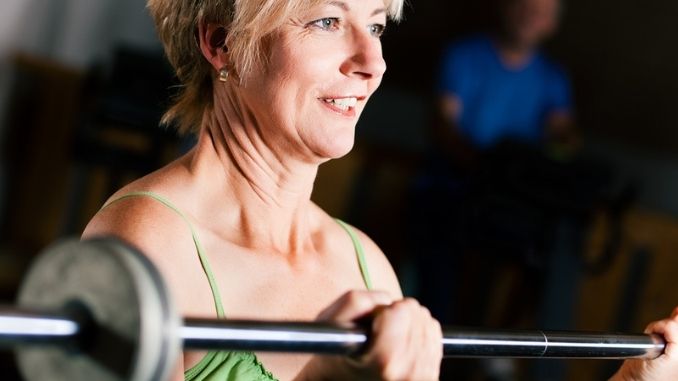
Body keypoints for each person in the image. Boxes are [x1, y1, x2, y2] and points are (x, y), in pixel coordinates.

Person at [81, 0, 678, 380]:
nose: (373, 62)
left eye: (375, 25)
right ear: (221, 43)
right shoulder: (144, 242)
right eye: (326, 21)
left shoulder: (364, 264)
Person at [437, 0, 577, 167]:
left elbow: (561, 132)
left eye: (540, 13)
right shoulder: (463, 56)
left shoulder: (554, 78)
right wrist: (478, 162)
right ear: (505, 6)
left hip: (515, 181)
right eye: (523, 7)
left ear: (552, 24)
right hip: (455, 177)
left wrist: (565, 145)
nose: (529, 17)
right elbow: (443, 123)